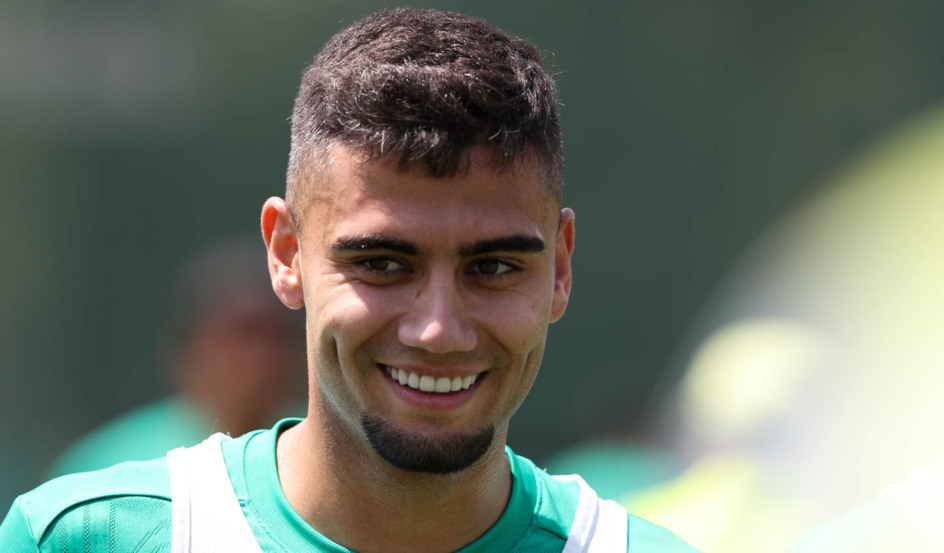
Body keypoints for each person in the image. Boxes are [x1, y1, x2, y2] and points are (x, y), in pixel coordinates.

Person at [0, 8, 699, 552]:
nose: (437, 327)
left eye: (493, 267)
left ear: (561, 268)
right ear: (286, 251)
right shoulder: (86, 538)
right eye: (382, 264)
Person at [45, 237, 306, 478]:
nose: (264, 359)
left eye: (281, 337)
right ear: (186, 347)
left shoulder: (325, 460)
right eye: (242, 335)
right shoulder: (108, 471)